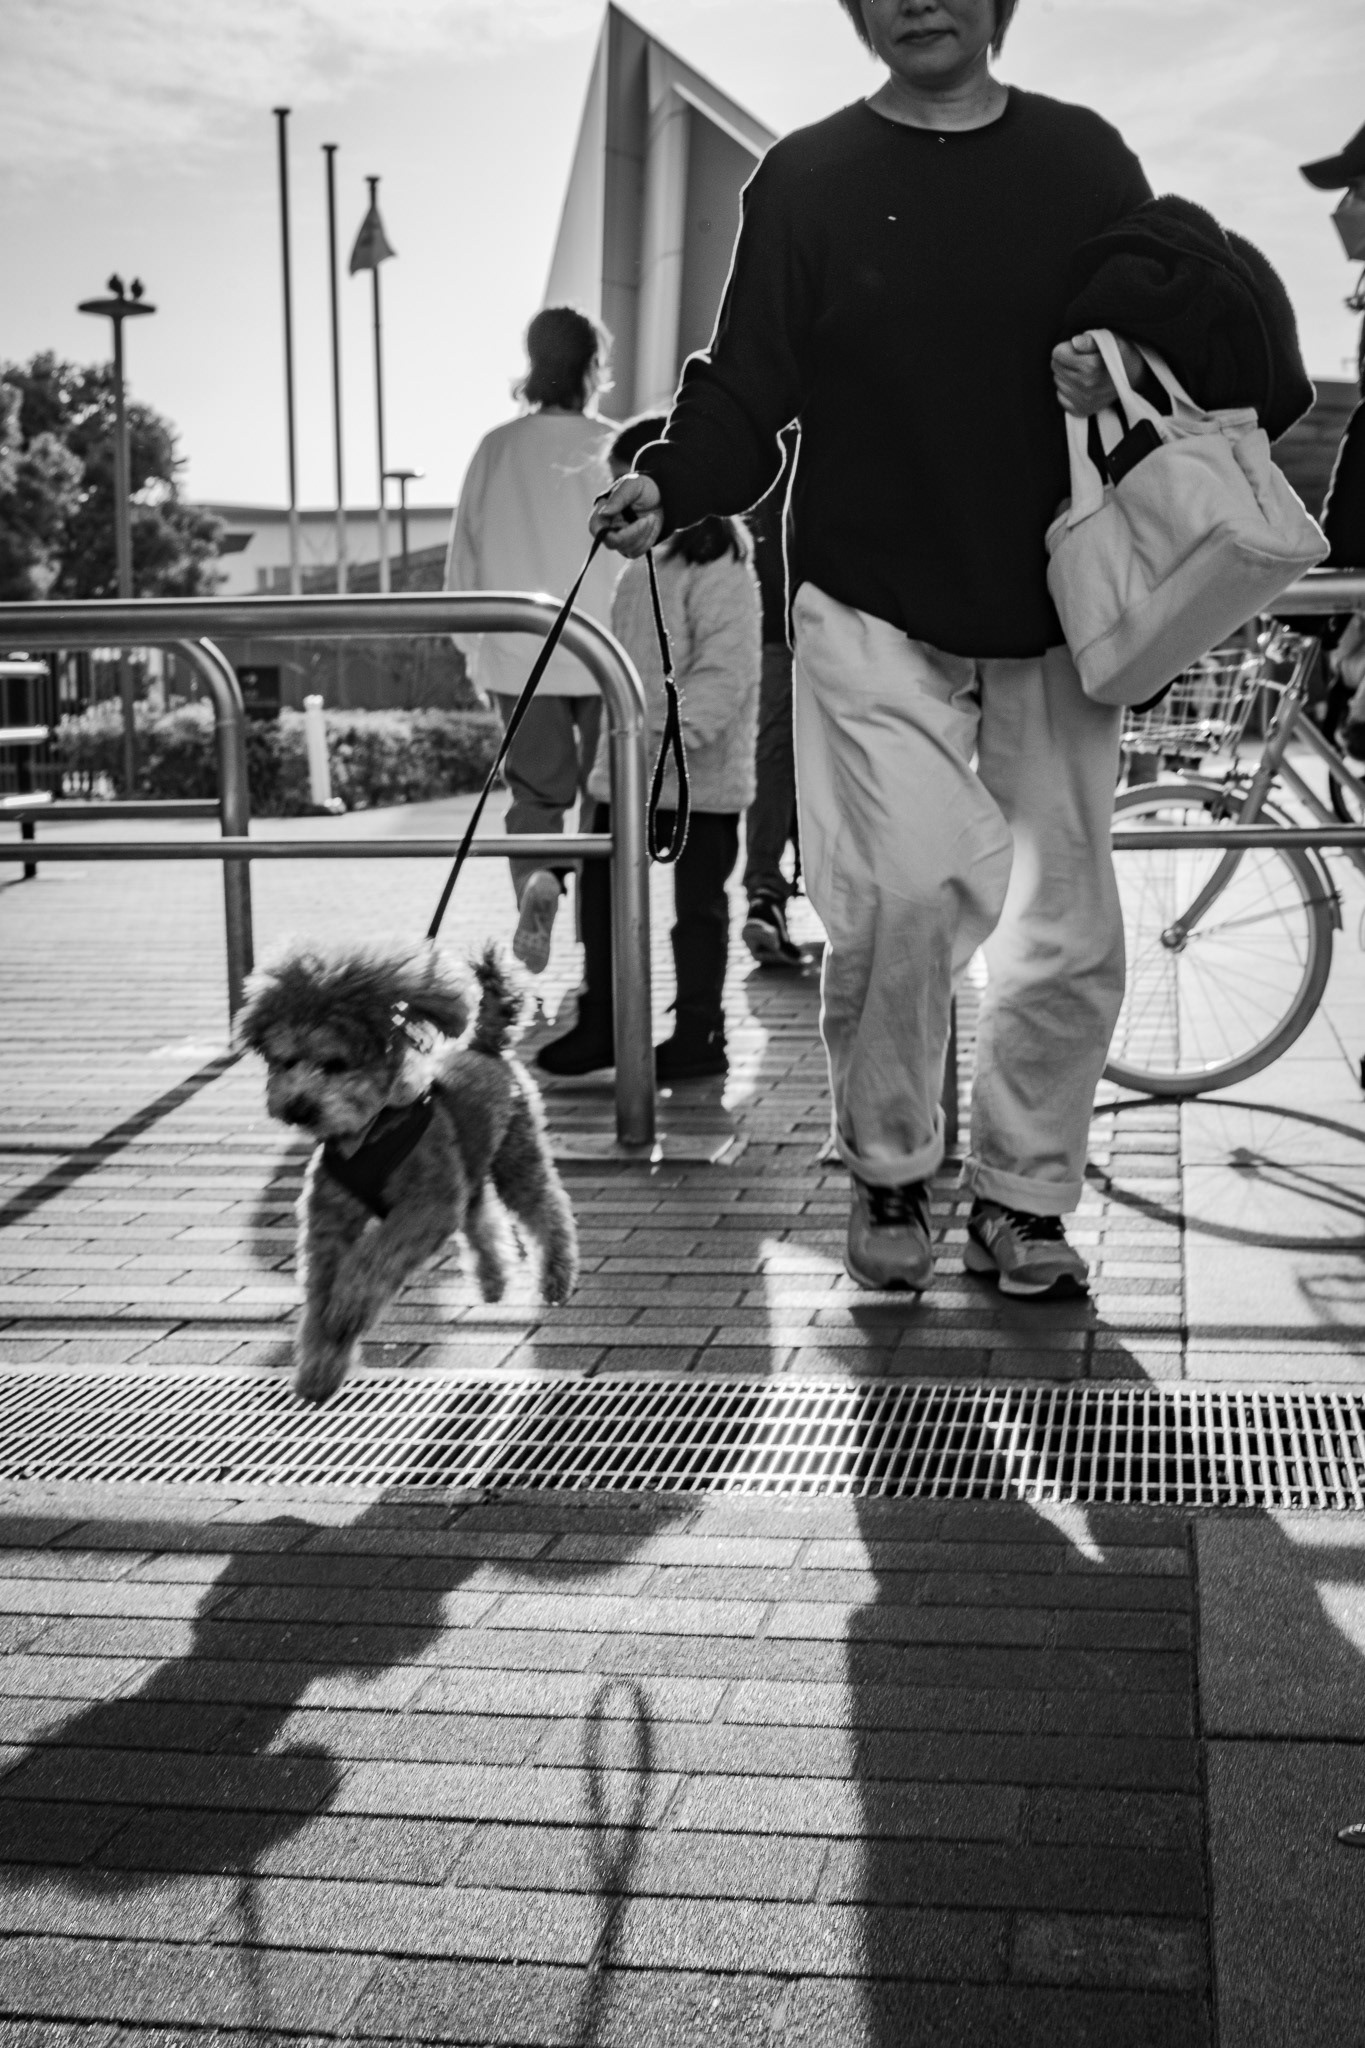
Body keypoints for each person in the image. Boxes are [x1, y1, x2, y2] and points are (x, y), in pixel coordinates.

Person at [590, 0, 1159, 1300]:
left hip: (1056, 587)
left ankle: (1021, 1199)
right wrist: (671, 484)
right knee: (905, 890)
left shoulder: (1084, 164)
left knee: (1059, 914)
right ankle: (895, 1158)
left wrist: (1112, 366)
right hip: (869, 593)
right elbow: (746, 383)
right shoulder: (809, 178)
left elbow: (1169, 339)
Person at [538, 414, 761, 1084]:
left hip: (698, 774)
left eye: (622, 489)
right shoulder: (639, 566)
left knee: (698, 909)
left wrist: (670, 744)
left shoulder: (717, 562)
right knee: (603, 899)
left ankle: (698, 1031)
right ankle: (604, 1020)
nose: (616, 508)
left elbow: (726, 671)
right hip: (627, 769)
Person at [444, 307, 621, 974]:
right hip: (609, 656)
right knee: (609, 797)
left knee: (537, 796)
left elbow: (465, 558)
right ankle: (602, 941)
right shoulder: (613, 446)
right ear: (591, 366)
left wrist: (473, 650)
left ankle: (540, 879)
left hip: (522, 653)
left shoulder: (495, 447)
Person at [741, 436, 810, 970]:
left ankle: (765, 893)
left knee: (774, 754)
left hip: (769, 627)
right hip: (842, 618)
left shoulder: (763, 437)